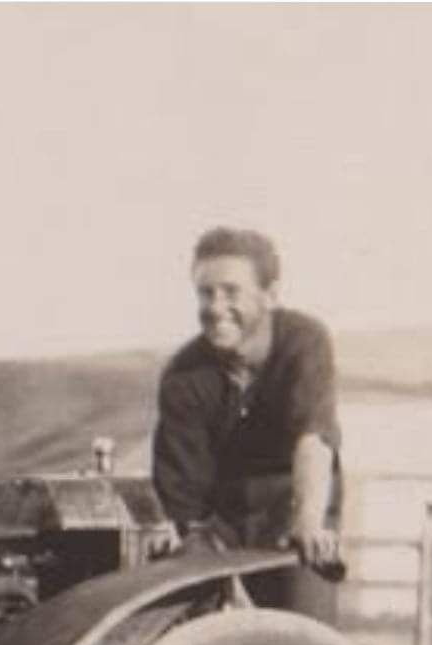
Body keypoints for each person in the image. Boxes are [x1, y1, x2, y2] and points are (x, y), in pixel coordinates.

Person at [146, 226, 345, 622]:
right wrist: (180, 537)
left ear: (269, 295)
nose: (216, 307)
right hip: (225, 522)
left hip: (294, 508)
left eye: (231, 292)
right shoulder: (183, 376)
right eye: (206, 293)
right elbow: (184, 496)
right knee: (179, 622)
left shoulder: (304, 342)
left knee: (304, 642)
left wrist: (308, 523)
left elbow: (313, 439)